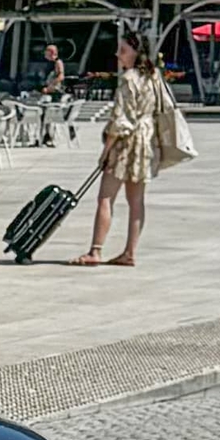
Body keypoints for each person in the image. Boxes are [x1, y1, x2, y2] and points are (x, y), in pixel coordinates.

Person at [82, 23, 185, 266]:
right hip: (148, 140)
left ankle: (96, 250)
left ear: (136, 52)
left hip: (127, 142)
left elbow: (121, 121)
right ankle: (130, 251)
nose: (118, 55)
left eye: (123, 50)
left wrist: (105, 151)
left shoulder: (129, 79)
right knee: (136, 200)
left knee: (105, 197)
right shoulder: (154, 76)